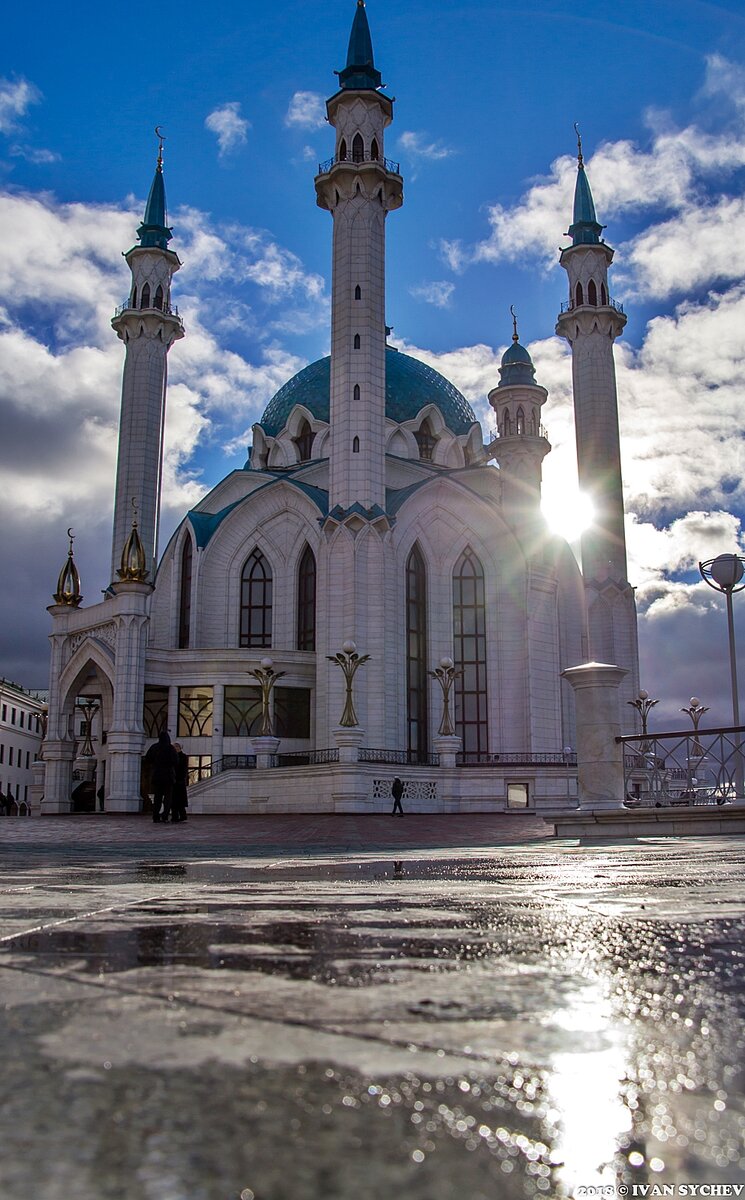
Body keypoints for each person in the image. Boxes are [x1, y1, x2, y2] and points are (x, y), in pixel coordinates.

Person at [144, 731, 178, 824]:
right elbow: (176, 761)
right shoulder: (170, 748)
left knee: (157, 797)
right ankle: (165, 816)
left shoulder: (154, 747)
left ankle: (155, 816)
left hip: (157, 775)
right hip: (168, 776)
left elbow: (147, 759)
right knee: (168, 798)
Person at [171, 742, 189, 823]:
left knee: (179, 800)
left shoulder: (183, 757)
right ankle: (175, 816)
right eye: (174, 747)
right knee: (174, 800)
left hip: (179, 781)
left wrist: (181, 778)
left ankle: (182, 815)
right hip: (174, 781)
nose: (175, 748)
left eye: (177, 747)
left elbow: (183, 769)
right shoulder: (172, 756)